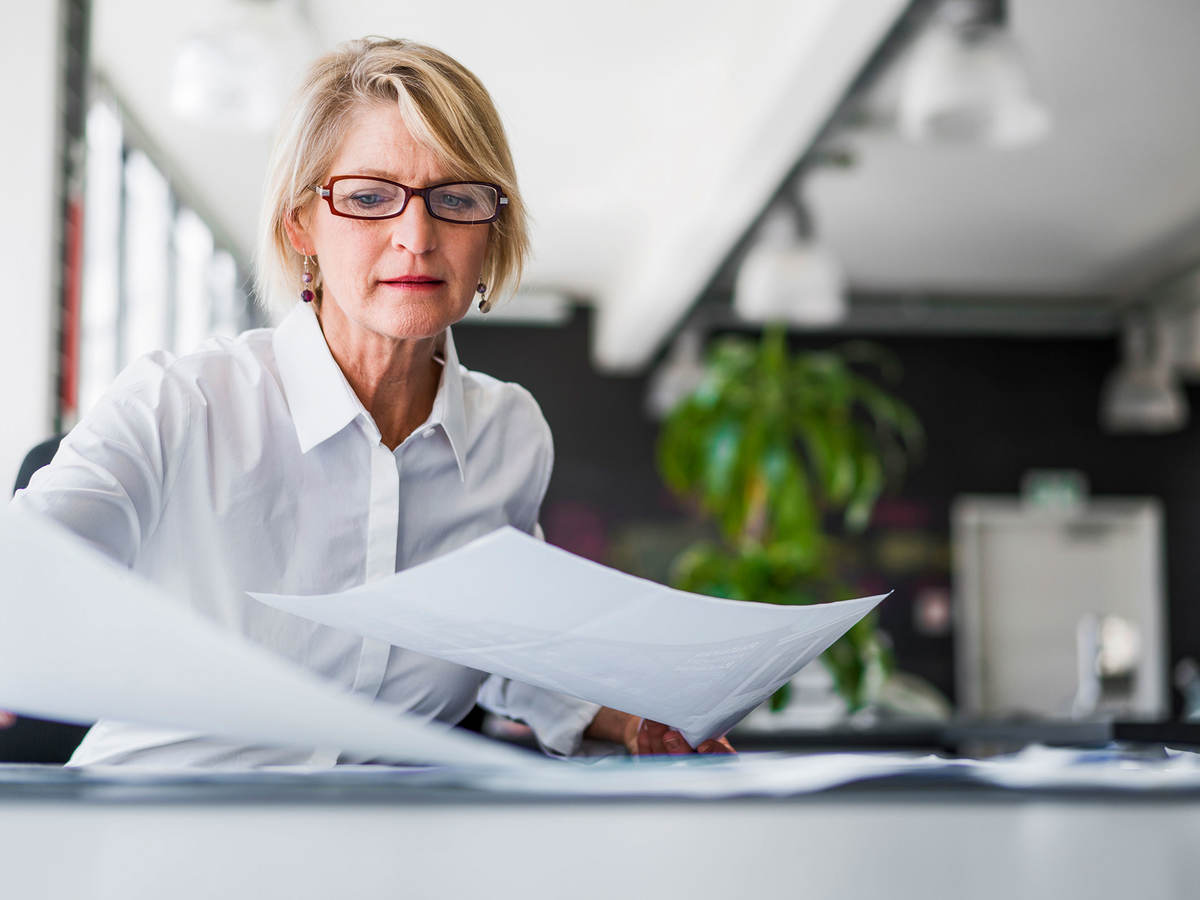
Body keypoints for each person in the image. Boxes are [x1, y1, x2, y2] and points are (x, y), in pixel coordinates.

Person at [6, 37, 733, 765]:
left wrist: (631, 720)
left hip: (385, 841)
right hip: (167, 834)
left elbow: (497, 640)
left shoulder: (508, 436)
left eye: (457, 198)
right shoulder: (180, 404)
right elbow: (26, 575)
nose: (416, 238)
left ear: (493, 228)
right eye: (367, 198)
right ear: (301, 226)